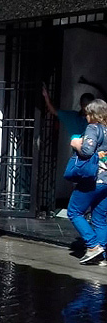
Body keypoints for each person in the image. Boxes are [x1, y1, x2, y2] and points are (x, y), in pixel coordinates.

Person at [66, 99, 107, 264]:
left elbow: (87, 151)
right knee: (100, 218)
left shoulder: (93, 128)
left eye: (88, 114)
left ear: (94, 115)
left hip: (92, 179)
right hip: (106, 181)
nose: (86, 117)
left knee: (74, 211)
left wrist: (76, 144)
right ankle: (102, 256)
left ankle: (93, 246)